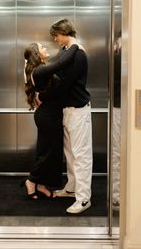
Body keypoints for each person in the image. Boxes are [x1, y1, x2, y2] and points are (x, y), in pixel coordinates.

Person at [38, 19, 93, 214]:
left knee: (81, 155)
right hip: (68, 110)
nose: (54, 38)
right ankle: (72, 188)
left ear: (64, 32)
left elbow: (65, 84)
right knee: (70, 154)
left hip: (79, 110)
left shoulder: (78, 54)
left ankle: (84, 198)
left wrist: (42, 96)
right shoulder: (66, 53)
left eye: (56, 35)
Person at [23, 41, 79, 199]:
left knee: (50, 152)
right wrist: (74, 45)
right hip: (47, 117)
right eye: (42, 47)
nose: (45, 48)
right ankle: (31, 180)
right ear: (36, 54)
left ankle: (40, 184)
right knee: (48, 153)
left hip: (50, 116)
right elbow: (61, 63)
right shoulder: (40, 70)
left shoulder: (41, 70)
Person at [112, 32, 121, 210]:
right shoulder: (117, 57)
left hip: (124, 107)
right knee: (117, 153)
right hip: (118, 107)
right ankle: (117, 194)